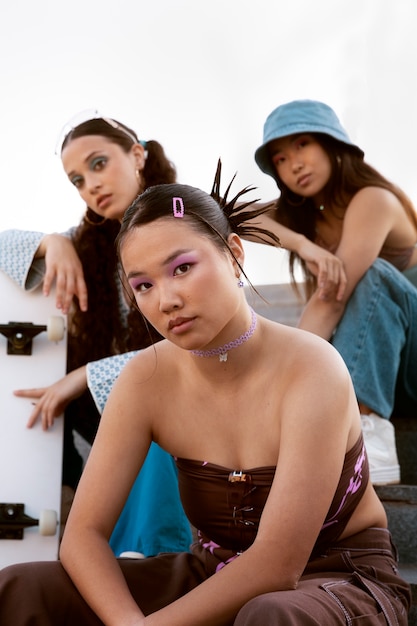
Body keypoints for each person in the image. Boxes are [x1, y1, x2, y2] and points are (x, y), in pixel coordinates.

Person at [0, 178, 411, 626]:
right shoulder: (145, 378)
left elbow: (278, 564)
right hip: (212, 569)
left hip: (338, 577)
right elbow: (82, 536)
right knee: (22, 586)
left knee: (271, 614)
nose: (167, 300)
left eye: (182, 268)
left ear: (234, 254)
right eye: (143, 286)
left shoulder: (312, 369)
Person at [0, 113, 192, 557]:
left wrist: (85, 375)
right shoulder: (88, 241)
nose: (91, 185)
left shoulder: (187, 221)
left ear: (137, 155)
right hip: (110, 423)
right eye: (77, 180)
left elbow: (196, 348)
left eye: (99, 164)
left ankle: (152, 557)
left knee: (154, 407)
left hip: (183, 406)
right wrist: (53, 243)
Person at [252, 99, 417, 486]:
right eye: (279, 158)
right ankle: (335, 423)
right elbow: (230, 216)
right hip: (383, 371)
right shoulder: (308, 218)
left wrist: (283, 381)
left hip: (411, 357)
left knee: (369, 275)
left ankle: (366, 428)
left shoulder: (373, 199)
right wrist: (301, 244)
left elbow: (332, 298)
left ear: (332, 144)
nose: (293, 163)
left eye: (303, 144)